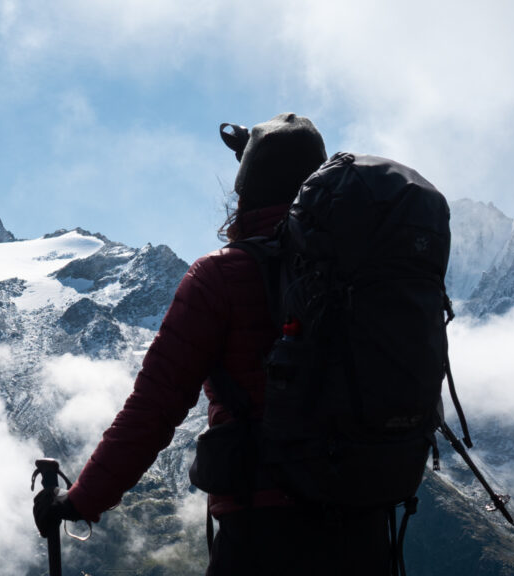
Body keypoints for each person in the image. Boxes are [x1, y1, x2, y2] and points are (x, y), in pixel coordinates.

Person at [34, 113, 392, 575]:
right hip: (366, 529)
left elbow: (153, 409)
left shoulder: (220, 276)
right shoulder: (365, 275)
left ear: (245, 191)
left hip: (264, 533)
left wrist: (79, 501)